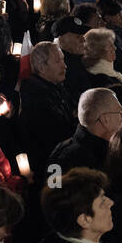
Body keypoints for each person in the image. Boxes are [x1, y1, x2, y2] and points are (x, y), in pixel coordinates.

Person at [17, 41, 77, 169]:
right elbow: (57, 135)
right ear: (42, 67)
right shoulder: (35, 100)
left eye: (63, 60)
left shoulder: (56, 87)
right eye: (57, 62)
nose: (64, 66)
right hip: (53, 167)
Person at [48, 87, 122, 174]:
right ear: (105, 119)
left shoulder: (112, 148)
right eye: (120, 113)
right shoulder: (62, 159)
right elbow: (52, 186)